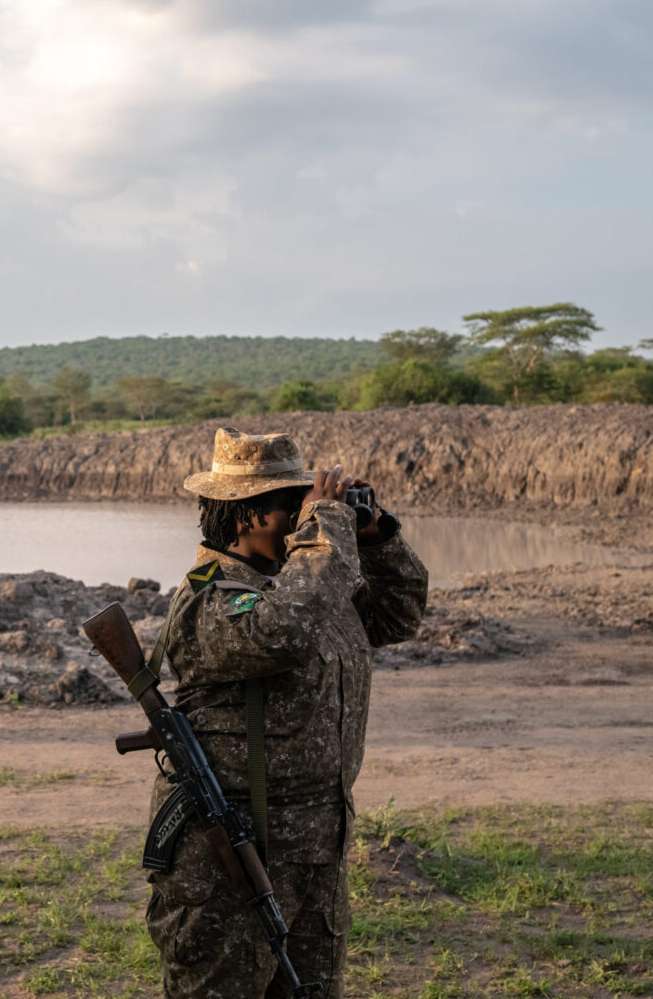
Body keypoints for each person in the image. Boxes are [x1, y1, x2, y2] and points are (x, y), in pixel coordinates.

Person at [145, 427, 428, 999]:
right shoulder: (211, 596)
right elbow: (283, 633)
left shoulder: (306, 587)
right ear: (245, 515)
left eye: (308, 502)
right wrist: (323, 529)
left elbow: (398, 616)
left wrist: (376, 540)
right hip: (233, 860)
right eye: (290, 505)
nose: (303, 516)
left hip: (317, 849)